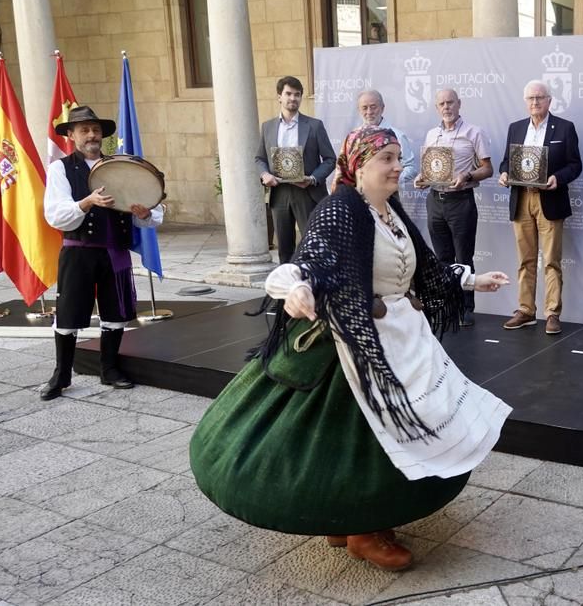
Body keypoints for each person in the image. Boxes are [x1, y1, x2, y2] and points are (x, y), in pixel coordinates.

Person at [190, 126, 512, 571]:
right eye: (387, 159)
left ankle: (345, 522)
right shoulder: (340, 209)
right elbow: (308, 261)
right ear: (359, 166)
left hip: (400, 339)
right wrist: (296, 289)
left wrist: (472, 280)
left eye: (398, 157)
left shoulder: (391, 211)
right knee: (355, 440)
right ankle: (362, 530)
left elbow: (424, 268)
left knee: (386, 432)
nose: (398, 166)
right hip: (352, 342)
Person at [39, 106, 164, 401]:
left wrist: (145, 213)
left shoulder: (120, 166)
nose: (91, 135)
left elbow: (150, 212)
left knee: (115, 313)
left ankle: (109, 369)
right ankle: (61, 375)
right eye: (84, 130)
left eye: (95, 130)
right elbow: (55, 215)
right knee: (69, 314)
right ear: (71, 136)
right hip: (78, 253)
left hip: (114, 252)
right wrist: (87, 202)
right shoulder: (61, 169)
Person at [497, 80, 583, 335]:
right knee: (526, 260)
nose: (535, 102)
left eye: (540, 97)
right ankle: (526, 310)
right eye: (531, 98)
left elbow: (575, 165)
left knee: (552, 261)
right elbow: (505, 162)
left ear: (549, 100)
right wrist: (504, 173)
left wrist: (558, 178)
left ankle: (552, 313)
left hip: (550, 199)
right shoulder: (516, 128)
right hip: (521, 199)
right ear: (525, 101)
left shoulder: (565, 128)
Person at [413, 88, 494, 327]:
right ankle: (449, 307)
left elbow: (487, 169)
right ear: (436, 107)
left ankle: (466, 308)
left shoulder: (474, 132)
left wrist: (467, 175)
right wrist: (421, 179)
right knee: (442, 259)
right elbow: (430, 170)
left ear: (459, 104)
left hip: (461, 201)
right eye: (442, 104)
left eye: (450, 102)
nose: (446, 107)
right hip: (435, 201)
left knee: (464, 257)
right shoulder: (431, 134)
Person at [255, 76, 336, 263]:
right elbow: (259, 158)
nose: (293, 98)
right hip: (279, 193)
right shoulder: (267, 127)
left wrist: (313, 178)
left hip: (307, 192)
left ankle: (312, 279)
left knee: (312, 244)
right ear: (279, 97)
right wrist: (265, 174)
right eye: (288, 94)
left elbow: (330, 159)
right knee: (284, 248)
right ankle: (287, 280)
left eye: (297, 94)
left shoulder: (314, 126)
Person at [328, 90, 414, 193]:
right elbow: (343, 170)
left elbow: (410, 167)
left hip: (388, 195)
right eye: (364, 108)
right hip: (358, 195)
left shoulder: (397, 136)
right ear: (359, 110)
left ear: (382, 108)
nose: (369, 112)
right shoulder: (353, 139)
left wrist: (389, 178)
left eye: (373, 107)